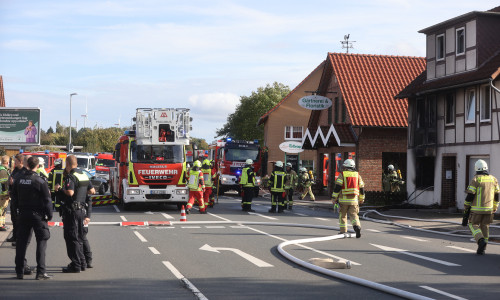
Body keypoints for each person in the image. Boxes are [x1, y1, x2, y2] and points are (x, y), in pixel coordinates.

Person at [11, 156, 53, 280]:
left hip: (23, 214)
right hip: (37, 215)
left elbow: (14, 199)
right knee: (41, 241)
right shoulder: (39, 181)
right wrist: (49, 215)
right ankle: (41, 272)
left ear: (27, 165)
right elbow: (47, 200)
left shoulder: (18, 179)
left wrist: (16, 213)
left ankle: (19, 271)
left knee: (21, 243)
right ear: (37, 166)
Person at [55, 155, 94, 273]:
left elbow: (70, 192)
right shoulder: (83, 175)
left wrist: (60, 189)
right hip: (82, 210)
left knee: (71, 238)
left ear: (67, 165)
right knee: (79, 237)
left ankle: (76, 264)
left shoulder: (71, 177)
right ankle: (82, 263)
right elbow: (92, 191)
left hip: (72, 211)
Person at [464, 159, 499, 255]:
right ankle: (483, 249)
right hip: (489, 209)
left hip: (476, 210)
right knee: (485, 226)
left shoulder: (476, 179)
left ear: (476, 169)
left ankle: (480, 240)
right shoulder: (493, 179)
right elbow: (497, 195)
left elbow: (470, 195)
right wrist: (495, 206)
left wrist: (466, 205)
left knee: (472, 224)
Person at [331, 159, 365, 238]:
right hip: (354, 201)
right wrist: (362, 198)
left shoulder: (342, 174)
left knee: (342, 216)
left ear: (345, 166)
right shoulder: (358, 175)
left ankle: (343, 232)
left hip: (343, 201)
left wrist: (334, 198)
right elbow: (362, 188)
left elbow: (338, 187)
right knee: (354, 215)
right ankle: (357, 226)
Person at [6, 154, 25, 244]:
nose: (14, 163)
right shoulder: (15, 170)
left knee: (19, 220)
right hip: (13, 197)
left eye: (16, 161)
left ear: (21, 162)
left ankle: (19, 239)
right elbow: (11, 181)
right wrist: (10, 189)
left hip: (20, 199)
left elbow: (22, 184)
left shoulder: (24, 171)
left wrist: (14, 183)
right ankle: (14, 236)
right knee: (14, 219)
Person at [0, 155, 11, 231]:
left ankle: (2, 225)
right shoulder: (3, 171)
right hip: (2, 195)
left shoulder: (3, 169)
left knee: (3, 210)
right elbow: (4, 184)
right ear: (7, 162)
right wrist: (6, 193)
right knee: (1, 209)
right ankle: (0, 226)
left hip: (2, 194)